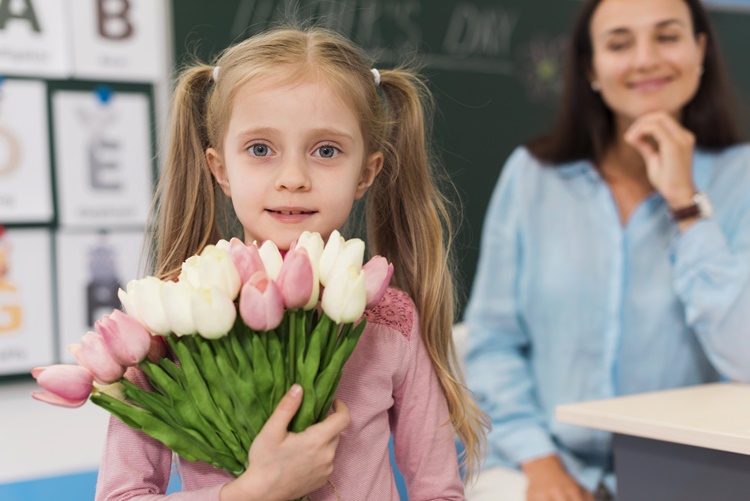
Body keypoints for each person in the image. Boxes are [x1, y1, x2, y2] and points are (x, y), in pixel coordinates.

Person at [95, 26, 488, 501]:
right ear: (220, 169)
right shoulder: (167, 319)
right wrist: (251, 493)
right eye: (260, 149)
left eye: (326, 151)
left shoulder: (391, 319)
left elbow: (438, 491)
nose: (294, 178)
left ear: (366, 172)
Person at [464, 0, 750, 500]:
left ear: (700, 49)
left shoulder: (741, 177)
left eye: (667, 36)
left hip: (693, 472)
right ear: (591, 67)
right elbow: (493, 343)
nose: (645, 59)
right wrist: (541, 463)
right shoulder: (532, 177)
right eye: (619, 43)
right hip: (541, 464)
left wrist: (686, 204)